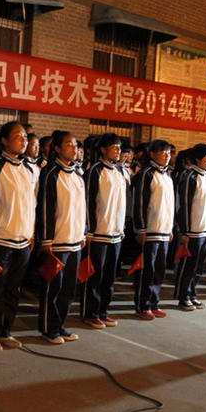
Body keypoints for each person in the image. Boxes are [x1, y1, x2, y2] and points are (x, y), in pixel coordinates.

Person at [0, 122, 36, 351]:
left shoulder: (29, 169)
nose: (23, 141)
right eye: (17, 137)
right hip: (0, 240)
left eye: (25, 137)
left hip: (23, 241)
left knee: (14, 289)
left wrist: (31, 232)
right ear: (3, 140)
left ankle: (6, 331)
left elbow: (32, 204)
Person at [36, 131, 86, 342]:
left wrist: (83, 231)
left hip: (75, 240)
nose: (74, 148)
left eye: (75, 145)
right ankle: (49, 328)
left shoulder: (78, 174)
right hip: (57, 241)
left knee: (68, 288)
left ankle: (60, 325)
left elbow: (82, 206)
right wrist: (46, 239)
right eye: (68, 144)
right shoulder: (50, 173)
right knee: (53, 287)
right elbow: (45, 207)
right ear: (56, 148)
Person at [81, 133, 127, 328]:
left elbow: (121, 202)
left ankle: (103, 310)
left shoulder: (119, 171)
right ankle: (90, 312)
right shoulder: (94, 171)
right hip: (99, 233)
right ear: (103, 149)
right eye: (114, 147)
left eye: (119, 147)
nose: (118, 151)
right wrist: (89, 230)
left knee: (109, 277)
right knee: (95, 276)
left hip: (116, 233)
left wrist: (121, 226)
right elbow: (89, 202)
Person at [131, 140, 175, 320]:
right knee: (146, 270)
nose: (167, 156)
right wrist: (141, 229)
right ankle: (143, 305)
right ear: (152, 154)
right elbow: (139, 204)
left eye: (169, 153)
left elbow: (170, 205)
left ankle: (154, 302)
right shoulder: (146, 174)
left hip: (164, 230)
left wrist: (170, 228)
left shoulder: (167, 175)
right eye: (163, 152)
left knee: (159, 270)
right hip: (150, 230)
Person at [173, 143, 206, 311]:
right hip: (192, 231)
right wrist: (184, 231)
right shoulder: (189, 177)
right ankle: (183, 296)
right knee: (188, 266)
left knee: (198, 267)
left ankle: (192, 294)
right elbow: (183, 205)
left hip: (205, 231)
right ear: (197, 159)